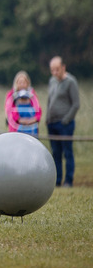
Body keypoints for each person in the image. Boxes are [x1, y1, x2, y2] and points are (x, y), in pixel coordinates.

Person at [46, 56, 81, 187]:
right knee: (55, 153)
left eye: (57, 70)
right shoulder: (52, 81)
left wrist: (66, 120)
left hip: (65, 124)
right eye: (52, 70)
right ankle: (57, 180)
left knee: (67, 152)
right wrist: (47, 119)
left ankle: (68, 180)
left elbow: (76, 104)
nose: (55, 73)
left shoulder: (71, 82)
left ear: (63, 67)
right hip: (52, 123)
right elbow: (50, 100)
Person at [4, 71, 41, 137]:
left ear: (27, 83)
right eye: (20, 82)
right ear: (16, 83)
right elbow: (9, 111)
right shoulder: (11, 95)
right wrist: (21, 120)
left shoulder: (32, 95)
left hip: (31, 130)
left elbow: (38, 110)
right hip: (16, 130)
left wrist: (33, 119)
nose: (22, 85)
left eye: (24, 82)